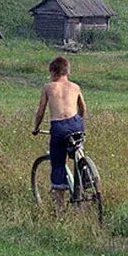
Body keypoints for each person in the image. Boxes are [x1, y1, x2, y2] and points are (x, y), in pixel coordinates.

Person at [32, 56, 87, 208]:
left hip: (59, 127)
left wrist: (36, 128)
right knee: (77, 153)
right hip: (76, 124)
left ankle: (59, 205)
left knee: (58, 163)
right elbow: (83, 108)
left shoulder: (48, 87)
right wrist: (79, 122)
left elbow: (41, 111)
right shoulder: (75, 87)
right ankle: (86, 177)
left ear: (53, 72)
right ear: (67, 71)